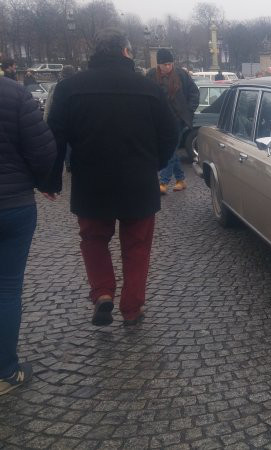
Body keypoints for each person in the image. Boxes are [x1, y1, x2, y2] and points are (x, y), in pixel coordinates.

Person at [46, 28, 178, 327]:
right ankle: (132, 307)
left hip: (91, 181)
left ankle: (103, 292)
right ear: (126, 52)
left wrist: (51, 179)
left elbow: (54, 135)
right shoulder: (149, 88)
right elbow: (170, 135)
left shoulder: (70, 87)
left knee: (93, 240)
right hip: (138, 182)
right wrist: (152, 164)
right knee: (137, 245)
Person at [0, 72, 57, 395]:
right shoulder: (13, 94)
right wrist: (40, 181)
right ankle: (5, 371)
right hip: (12, 204)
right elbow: (43, 149)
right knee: (6, 290)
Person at [146, 49, 200, 194]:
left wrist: (189, 110)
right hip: (160, 119)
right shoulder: (151, 75)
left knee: (170, 148)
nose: (168, 67)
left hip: (178, 119)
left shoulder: (182, 74)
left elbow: (194, 92)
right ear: (159, 65)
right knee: (172, 150)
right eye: (165, 64)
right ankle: (180, 180)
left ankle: (163, 182)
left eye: (170, 64)